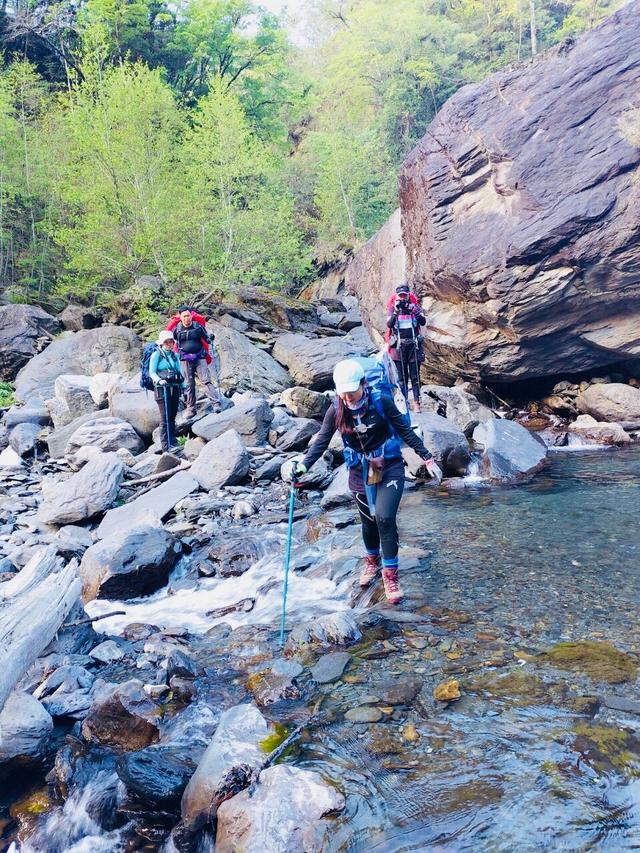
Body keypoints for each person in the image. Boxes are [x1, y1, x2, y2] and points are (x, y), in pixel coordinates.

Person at [282, 359, 442, 605]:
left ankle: (391, 577)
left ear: (364, 384)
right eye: (342, 392)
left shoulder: (381, 401)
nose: (347, 397)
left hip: (389, 466)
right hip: (359, 470)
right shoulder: (336, 410)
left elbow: (405, 430)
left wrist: (428, 459)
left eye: (351, 391)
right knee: (368, 521)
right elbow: (322, 441)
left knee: (384, 518)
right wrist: (303, 466)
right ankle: (371, 563)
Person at [171, 306, 220, 417]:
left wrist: (210, 338)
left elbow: (206, 338)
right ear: (181, 317)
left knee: (206, 380)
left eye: (188, 315)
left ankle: (216, 404)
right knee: (189, 384)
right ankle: (191, 409)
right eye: (184, 316)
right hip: (185, 359)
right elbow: (173, 342)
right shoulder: (177, 329)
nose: (186, 318)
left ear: (191, 316)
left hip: (199, 357)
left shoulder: (198, 326)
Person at [386, 283, 426, 413]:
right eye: (400, 296)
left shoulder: (414, 307)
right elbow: (389, 324)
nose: (403, 299)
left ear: (409, 295)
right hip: (399, 347)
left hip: (414, 345)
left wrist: (412, 309)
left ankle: (417, 403)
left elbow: (423, 321)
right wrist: (396, 311)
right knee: (402, 378)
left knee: (415, 376)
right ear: (397, 296)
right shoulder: (393, 308)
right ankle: (404, 401)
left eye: (405, 296)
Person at [149, 330, 184, 452]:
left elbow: (179, 370)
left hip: (174, 388)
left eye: (171, 341)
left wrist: (183, 384)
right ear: (162, 343)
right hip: (161, 389)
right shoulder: (156, 355)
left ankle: (173, 442)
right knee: (165, 417)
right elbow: (152, 372)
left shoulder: (174, 355)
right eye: (167, 342)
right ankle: (166, 446)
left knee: (172, 416)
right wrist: (159, 380)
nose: (169, 343)